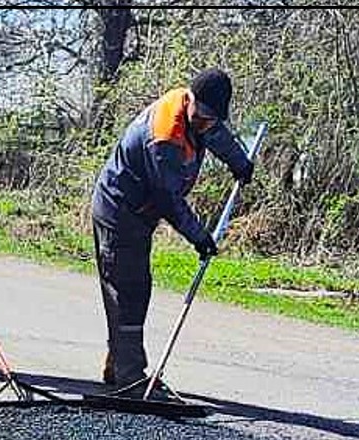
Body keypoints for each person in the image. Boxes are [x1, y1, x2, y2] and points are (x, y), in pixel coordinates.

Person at [90, 68, 255, 392]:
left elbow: (216, 134)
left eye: (211, 118)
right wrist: (200, 237)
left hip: (140, 212)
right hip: (119, 212)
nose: (204, 123)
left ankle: (119, 363)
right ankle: (131, 378)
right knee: (130, 291)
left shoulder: (199, 115)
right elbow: (168, 199)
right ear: (190, 98)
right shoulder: (164, 136)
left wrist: (239, 162)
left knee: (133, 288)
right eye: (202, 116)